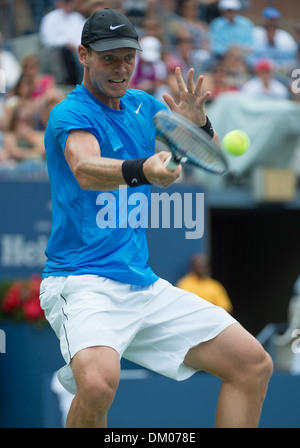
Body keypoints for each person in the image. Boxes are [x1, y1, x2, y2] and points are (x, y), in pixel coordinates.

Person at [39, 8, 272, 428]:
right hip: (81, 281)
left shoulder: (144, 105)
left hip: (142, 286)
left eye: (128, 56)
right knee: (97, 383)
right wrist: (142, 169)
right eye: (109, 57)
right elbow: (85, 167)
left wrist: (200, 122)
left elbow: (211, 150)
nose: (121, 66)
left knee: (253, 364)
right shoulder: (70, 113)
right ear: (83, 55)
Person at [252, 7, 298, 73]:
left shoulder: (285, 36)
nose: (272, 21)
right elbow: (252, 54)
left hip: (282, 70)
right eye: (270, 19)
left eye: (275, 19)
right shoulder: (255, 32)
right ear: (264, 19)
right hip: (261, 70)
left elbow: (293, 56)